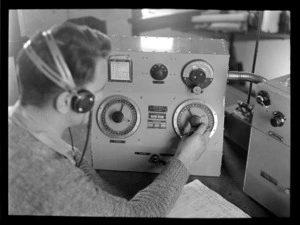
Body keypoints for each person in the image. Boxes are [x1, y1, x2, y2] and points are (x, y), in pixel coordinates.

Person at [8, 22, 210, 216]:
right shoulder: (56, 183)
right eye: (97, 91)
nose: (102, 98)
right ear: (67, 101)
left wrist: (73, 156)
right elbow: (141, 215)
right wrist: (184, 158)